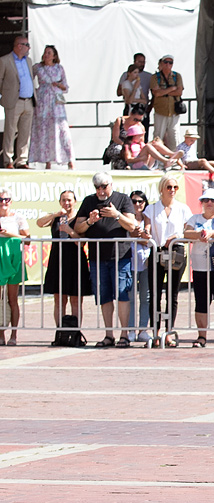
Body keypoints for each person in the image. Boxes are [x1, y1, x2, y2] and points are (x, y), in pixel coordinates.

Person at [73, 172, 139, 348]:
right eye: (97, 187)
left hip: (120, 256)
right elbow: (78, 228)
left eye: (104, 186)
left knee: (122, 294)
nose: (100, 191)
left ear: (111, 184)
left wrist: (116, 214)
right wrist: (89, 221)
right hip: (97, 257)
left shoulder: (123, 199)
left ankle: (124, 334)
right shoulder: (89, 201)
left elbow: (132, 226)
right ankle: (109, 334)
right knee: (104, 296)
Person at [183, 189, 214, 348]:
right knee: (201, 302)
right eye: (205, 200)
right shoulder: (195, 218)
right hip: (199, 267)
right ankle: (201, 336)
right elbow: (186, 232)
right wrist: (199, 234)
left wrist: (211, 233)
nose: (209, 203)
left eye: (212, 200)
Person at [146, 174, 191, 348]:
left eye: (175, 187)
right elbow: (148, 227)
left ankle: (169, 332)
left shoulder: (183, 209)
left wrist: (177, 236)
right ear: (162, 189)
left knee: (172, 294)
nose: (172, 190)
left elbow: (188, 231)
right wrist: (146, 234)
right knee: (155, 294)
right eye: (169, 187)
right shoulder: (152, 209)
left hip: (176, 250)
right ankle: (155, 332)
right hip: (157, 250)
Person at [38, 190, 91, 330]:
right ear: (60, 202)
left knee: (75, 299)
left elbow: (81, 242)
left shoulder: (80, 218)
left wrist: (69, 231)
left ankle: (75, 332)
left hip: (75, 260)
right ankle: (60, 331)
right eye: (64, 200)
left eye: (69, 200)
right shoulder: (56, 217)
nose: (66, 203)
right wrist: (55, 214)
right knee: (59, 299)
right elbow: (39, 223)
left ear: (75, 201)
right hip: (57, 260)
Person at [28, 45, 74, 169]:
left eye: (49, 53)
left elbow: (66, 86)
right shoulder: (38, 67)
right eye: (45, 52)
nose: (46, 55)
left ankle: (69, 159)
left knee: (60, 128)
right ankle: (46, 160)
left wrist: (58, 85)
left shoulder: (59, 68)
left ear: (54, 56)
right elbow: (28, 79)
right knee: (44, 129)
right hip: (43, 101)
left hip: (55, 101)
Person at [0, 35, 34, 168]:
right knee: (10, 131)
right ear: (19, 46)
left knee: (25, 132)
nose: (28, 48)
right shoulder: (5, 60)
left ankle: (21, 160)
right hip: (14, 101)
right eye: (27, 45)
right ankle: (8, 160)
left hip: (28, 101)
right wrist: (6, 95)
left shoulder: (28, 61)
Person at [0, 189, 28, 345]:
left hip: (14, 259)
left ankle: (14, 335)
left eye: (6, 199)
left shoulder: (18, 217)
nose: (3, 202)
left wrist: (10, 234)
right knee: (0, 301)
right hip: (0, 259)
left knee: (12, 299)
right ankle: (1, 334)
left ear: (11, 201)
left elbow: (28, 239)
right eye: (0, 200)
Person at [127, 190, 153, 344]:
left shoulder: (148, 219)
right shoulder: (127, 218)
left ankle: (143, 329)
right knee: (130, 298)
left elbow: (151, 238)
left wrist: (142, 239)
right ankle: (130, 330)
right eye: (134, 201)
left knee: (146, 297)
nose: (137, 204)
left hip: (146, 262)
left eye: (140, 201)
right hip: (129, 261)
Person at [149, 55, 184, 150]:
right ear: (161, 63)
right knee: (158, 135)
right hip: (161, 110)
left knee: (174, 135)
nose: (168, 64)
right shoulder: (155, 77)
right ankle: (157, 159)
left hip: (174, 110)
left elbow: (179, 92)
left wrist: (164, 92)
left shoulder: (177, 76)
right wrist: (172, 89)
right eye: (166, 62)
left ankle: (175, 159)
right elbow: (156, 93)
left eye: (170, 62)